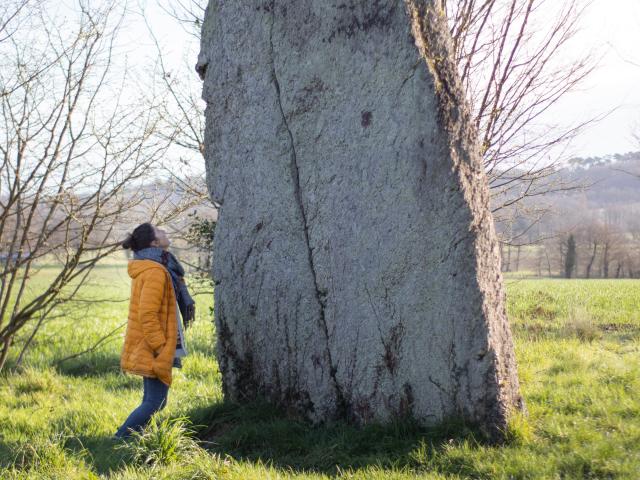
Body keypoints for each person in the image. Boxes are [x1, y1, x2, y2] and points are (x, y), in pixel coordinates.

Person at [114, 222, 195, 439]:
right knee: (155, 402)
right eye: (160, 231)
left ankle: (134, 438)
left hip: (150, 342)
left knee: (153, 400)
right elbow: (147, 314)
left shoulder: (156, 267)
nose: (165, 231)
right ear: (154, 242)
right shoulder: (156, 272)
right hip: (153, 344)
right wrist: (161, 346)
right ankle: (121, 438)